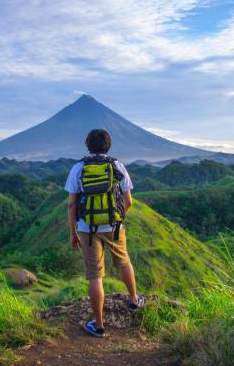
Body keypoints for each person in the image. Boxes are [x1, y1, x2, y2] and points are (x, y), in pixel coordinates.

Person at [64, 128, 144, 338]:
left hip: (87, 228)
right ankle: (134, 300)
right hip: (114, 226)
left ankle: (99, 326)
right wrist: (116, 218)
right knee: (124, 262)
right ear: (108, 146)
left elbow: (72, 205)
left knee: (95, 275)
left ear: (88, 146)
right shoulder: (117, 165)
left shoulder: (78, 168)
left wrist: (73, 233)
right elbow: (128, 201)